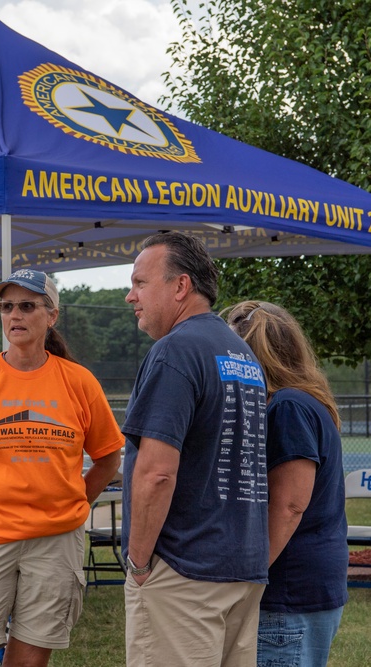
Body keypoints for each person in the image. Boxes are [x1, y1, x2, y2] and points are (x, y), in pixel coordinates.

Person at [0, 268, 124, 667]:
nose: (14, 315)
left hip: (55, 544)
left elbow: (108, 458)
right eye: (7, 306)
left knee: (30, 662)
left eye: (27, 306)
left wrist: (74, 506)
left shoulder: (79, 382)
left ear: (52, 316)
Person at [121, 232, 268, 667]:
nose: (131, 296)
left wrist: (140, 562)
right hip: (240, 567)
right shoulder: (243, 354)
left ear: (181, 286)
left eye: (140, 283)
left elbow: (156, 473)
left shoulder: (176, 351)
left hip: (183, 571)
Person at [224, 300, 348, 667]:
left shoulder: (288, 406)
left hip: (288, 592)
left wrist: (248, 580)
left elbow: (290, 505)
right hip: (308, 586)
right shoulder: (306, 402)